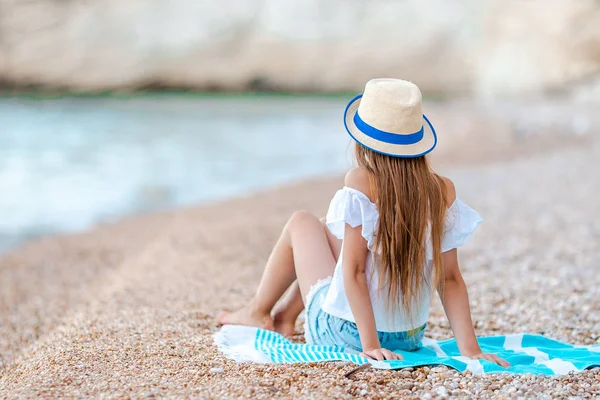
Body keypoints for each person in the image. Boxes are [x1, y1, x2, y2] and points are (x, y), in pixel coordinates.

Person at [218, 79, 509, 366]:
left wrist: (370, 345)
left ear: (363, 141)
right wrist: (470, 350)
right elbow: (450, 279)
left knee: (301, 222)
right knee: (324, 228)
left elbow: (355, 272)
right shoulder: (442, 190)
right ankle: (283, 317)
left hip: (347, 332)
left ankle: (257, 311)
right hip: (408, 337)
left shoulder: (360, 181)